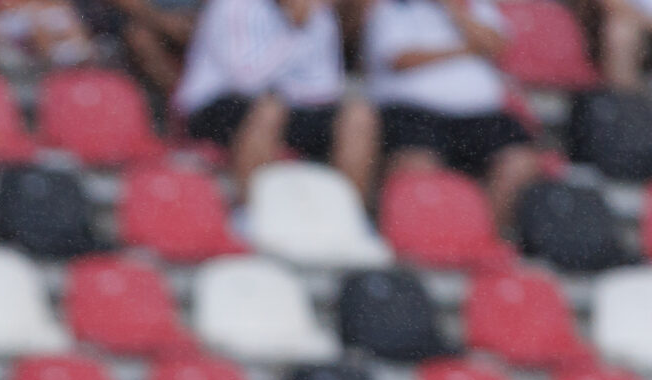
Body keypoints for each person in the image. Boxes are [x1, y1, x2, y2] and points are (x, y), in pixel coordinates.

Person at [172, 0, 379, 201]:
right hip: (215, 106)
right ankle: (250, 212)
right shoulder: (234, 5)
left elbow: (326, 87)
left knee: (358, 115)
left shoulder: (316, 11)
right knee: (270, 109)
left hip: (286, 106)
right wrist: (295, 28)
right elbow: (246, 78)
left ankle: (348, 217)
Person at [365, 0, 543, 234]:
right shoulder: (395, 7)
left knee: (520, 161)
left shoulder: (477, 6)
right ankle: (414, 242)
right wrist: (468, 49)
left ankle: (482, 238)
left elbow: (497, 45)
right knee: (414, 164)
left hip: (481, 114)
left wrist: (454, 10)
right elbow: (402, 58)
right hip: (414, 111)